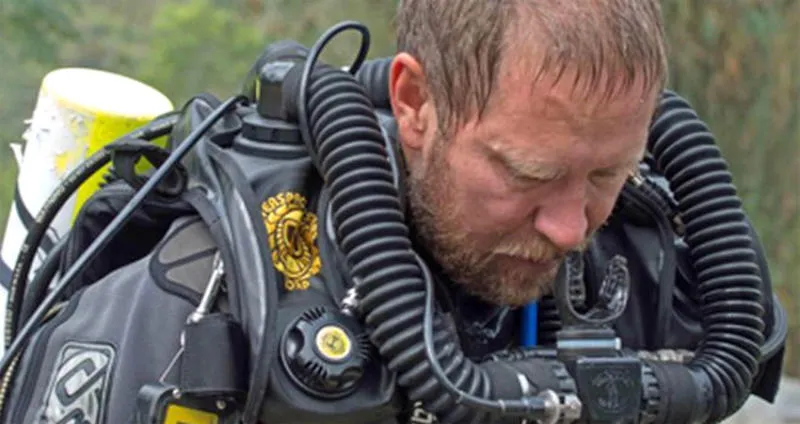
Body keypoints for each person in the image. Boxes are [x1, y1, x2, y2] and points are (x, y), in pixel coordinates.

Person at [0, 1, 786, 423]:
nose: (571, 227)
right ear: (415, 103)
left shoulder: (646, 266)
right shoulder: (212, 293)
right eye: (529, 174)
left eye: (606, 174)